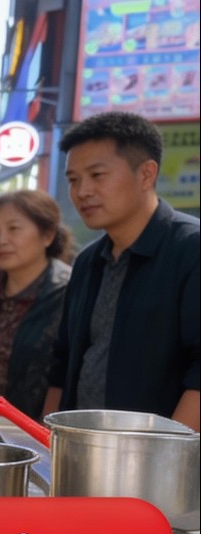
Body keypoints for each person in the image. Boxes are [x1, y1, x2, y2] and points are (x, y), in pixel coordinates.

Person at [45, 111, 199, 429]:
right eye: (73, 180)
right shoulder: (88, 261)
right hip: (84, 450)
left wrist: (165, 457)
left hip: (164, 464)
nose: (82, 191)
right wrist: (49, 441)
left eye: (97, 175)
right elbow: (63, 361)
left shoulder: (190, 248)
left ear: (146, 174)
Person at [0, 191, 72, 420]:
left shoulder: (67, 290)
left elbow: (64, 374)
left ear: (47, 235)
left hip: (37, 430)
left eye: (13, 229)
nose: (1, 240)